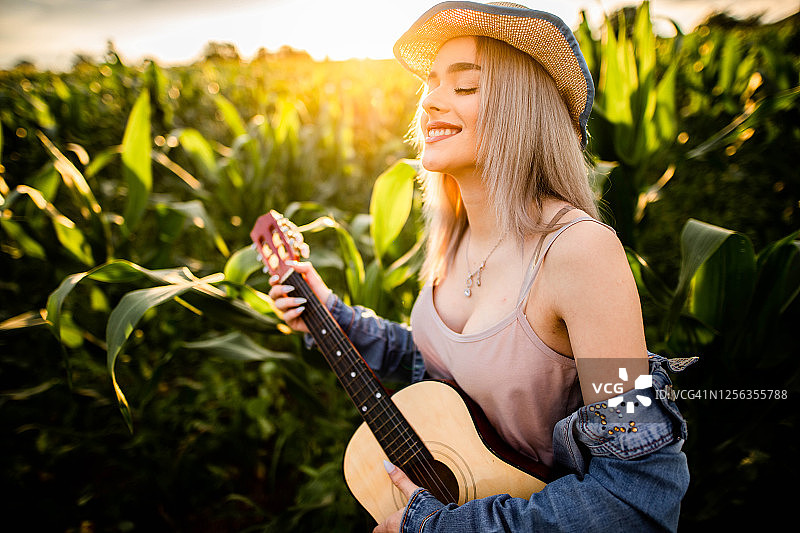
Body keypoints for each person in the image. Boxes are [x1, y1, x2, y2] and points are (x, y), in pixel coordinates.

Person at [268, 2, 691, 531]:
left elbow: (635, 501)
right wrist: (329, 311)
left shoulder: (579, 252)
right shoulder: (458, 234)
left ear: (521, 109)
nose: (431, 102)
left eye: (463, 87)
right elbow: (445, 369)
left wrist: (440, 526)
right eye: (431, 85)